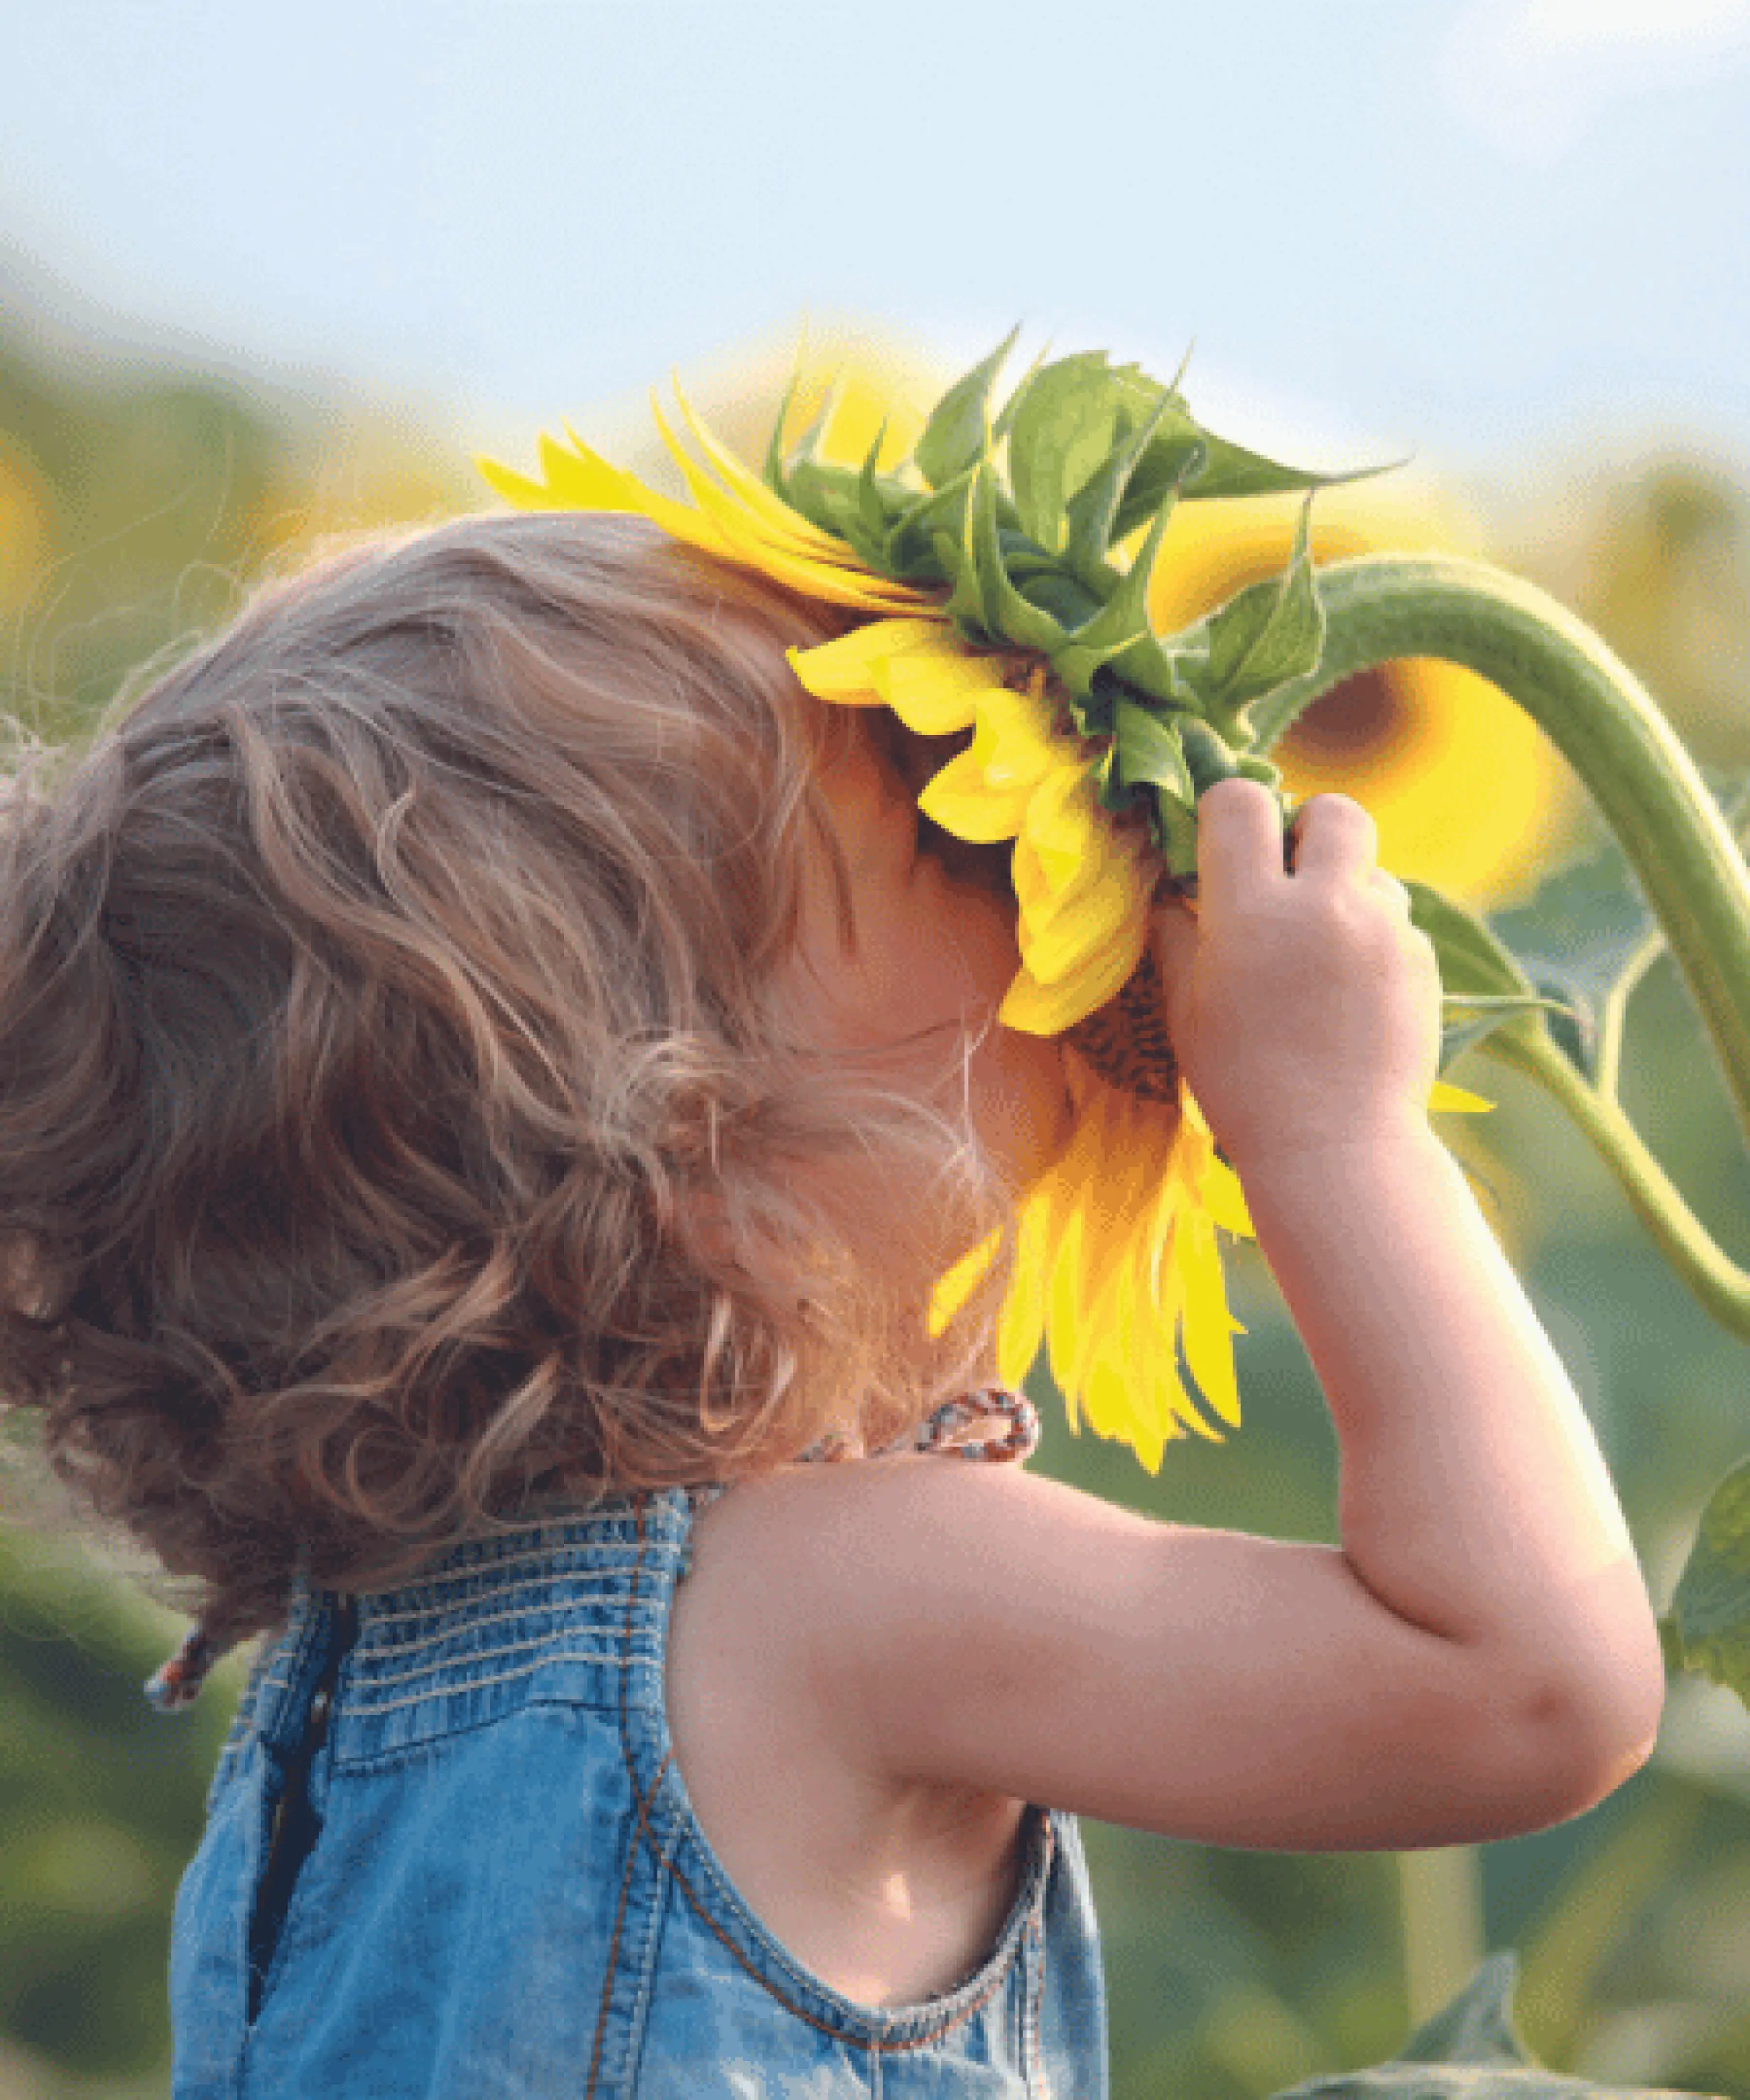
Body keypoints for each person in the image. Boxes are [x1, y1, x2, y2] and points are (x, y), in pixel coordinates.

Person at [0, 508, 1665, 2098]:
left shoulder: (349, 1677)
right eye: (949, 840)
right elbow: (1524, 1685)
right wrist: (1330, 1123)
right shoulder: (835, 1591)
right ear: (698, 1151)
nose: (1041, 875)